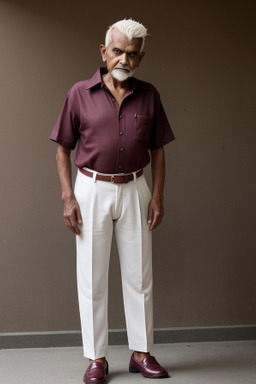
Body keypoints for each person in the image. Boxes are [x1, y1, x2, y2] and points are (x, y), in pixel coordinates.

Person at [50, 18, 175, 384]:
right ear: (104, 52)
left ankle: (141, 352)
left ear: (141, 58)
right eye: (118, 51)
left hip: (136, 187)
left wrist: (157, 196)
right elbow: (62, 149)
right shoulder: (78, 93)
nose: (124, 59)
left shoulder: (150, 95)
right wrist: (67, 197)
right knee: (92, 277)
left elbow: (159, 152)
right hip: (91, 189)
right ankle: (97, 359)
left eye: (132, 54)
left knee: (140, 275)